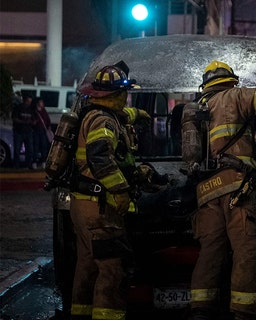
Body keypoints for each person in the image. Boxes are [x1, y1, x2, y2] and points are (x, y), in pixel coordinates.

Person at [185, 60, 256, 320]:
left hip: (206, 194)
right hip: (237, 189)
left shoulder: (198, 108)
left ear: (206, 84)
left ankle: (200, 309)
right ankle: (244, 311)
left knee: (210, 252)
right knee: (247, 250)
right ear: (230, 81)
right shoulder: (234, 96)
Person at [69, 61, 152, 320]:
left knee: (87, 267)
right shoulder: (103, 121)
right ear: (115, 95)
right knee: (112, 270)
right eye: (123, 93)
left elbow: (124, 116)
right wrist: (121, 190)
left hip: (83, 205)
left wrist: (138, 114)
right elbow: (100, 158)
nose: (126, 97)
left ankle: (80, 314)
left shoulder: (94, 114)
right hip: (100, 208)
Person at [11, 94, 35, 168]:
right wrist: (23, 122)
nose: (29, 103)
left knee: (30, 149)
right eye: (28, 101)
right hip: (19, 131)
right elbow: (14, 118)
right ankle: (16, 165)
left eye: (30, 102)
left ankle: (28, 164)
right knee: (17, 149)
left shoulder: (31, 109)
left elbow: (34, 119)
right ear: (24, 101)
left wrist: (33, 122)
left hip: (28, 131)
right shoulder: (18, 108)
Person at [32, 97, 52, 168]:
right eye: (41, 102)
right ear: (38, 103)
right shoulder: (34, 111)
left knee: (44, 146)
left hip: (43, 131)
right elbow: (32, 122)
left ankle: (43, 161)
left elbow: (48, 120)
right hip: (36, 131)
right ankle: (34, 162)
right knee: (36, 146)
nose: (42, 103)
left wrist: (48, 126)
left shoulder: (44, 111)